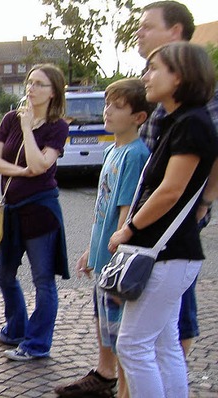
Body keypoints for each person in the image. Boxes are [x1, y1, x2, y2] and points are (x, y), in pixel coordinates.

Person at [108, 42, 217, 398]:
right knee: (163, 344)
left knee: (133, 347)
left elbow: (170, 191)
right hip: (170, 253)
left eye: (154, 68)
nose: (146, 75)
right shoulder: (181, 120)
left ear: (180, 76)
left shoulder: (191, 123)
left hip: (166, 253)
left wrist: (129, 228)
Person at [54, 79, 152, 397]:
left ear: (139, 117)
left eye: (118, 106)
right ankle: (109, 381)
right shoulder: (112, 150)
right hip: (102, 258)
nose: (107, 110)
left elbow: (126, 211)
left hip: (116, 262)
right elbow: (102, 209)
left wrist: (114, 257)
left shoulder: (135, 155)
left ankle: (124, 390)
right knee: (105, 327)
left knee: (121, 332)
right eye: (107, 103)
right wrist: (90, 251)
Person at [135, 0, 218, 357]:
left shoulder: (195, 110)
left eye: (146, 25)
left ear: (176, 33)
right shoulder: (168, 98)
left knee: (142, 340)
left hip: (170, 227)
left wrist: (204, 203)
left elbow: (177, 182)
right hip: (155, 220)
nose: (139, 32)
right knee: (162, 333)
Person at [0, 64, 69, 361]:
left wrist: (27, 129)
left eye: (39, 84)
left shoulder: (57, 126)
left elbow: (41, 165)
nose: (31, 89)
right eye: (29, 82)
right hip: (11, 210)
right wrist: (22, 171)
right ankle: (16, 328)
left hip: (41, 211)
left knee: (43, 280)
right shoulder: (10, 118)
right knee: (3, 273)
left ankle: (37, 344)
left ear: (53, 92)